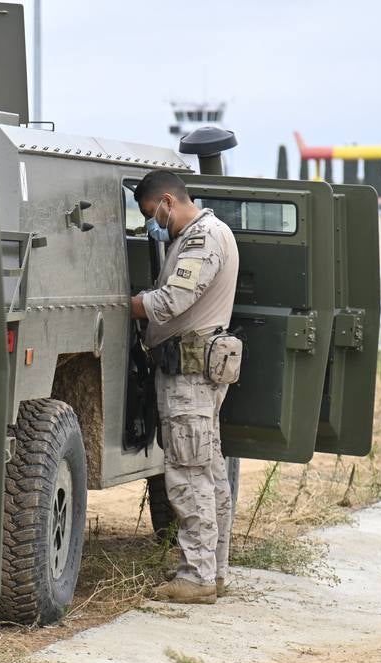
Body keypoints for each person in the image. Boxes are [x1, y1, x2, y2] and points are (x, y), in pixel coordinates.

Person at [129, 171, 239, 605]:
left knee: (190, 477)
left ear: (168, 202)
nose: (151, 223)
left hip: (189, 377)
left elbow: (171, 301)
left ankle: (196, 576)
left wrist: (130, 304)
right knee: (209, 473)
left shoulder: (201, 238)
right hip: (194, 373)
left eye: (150, 213)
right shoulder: (203, 234)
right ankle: (215, 571)